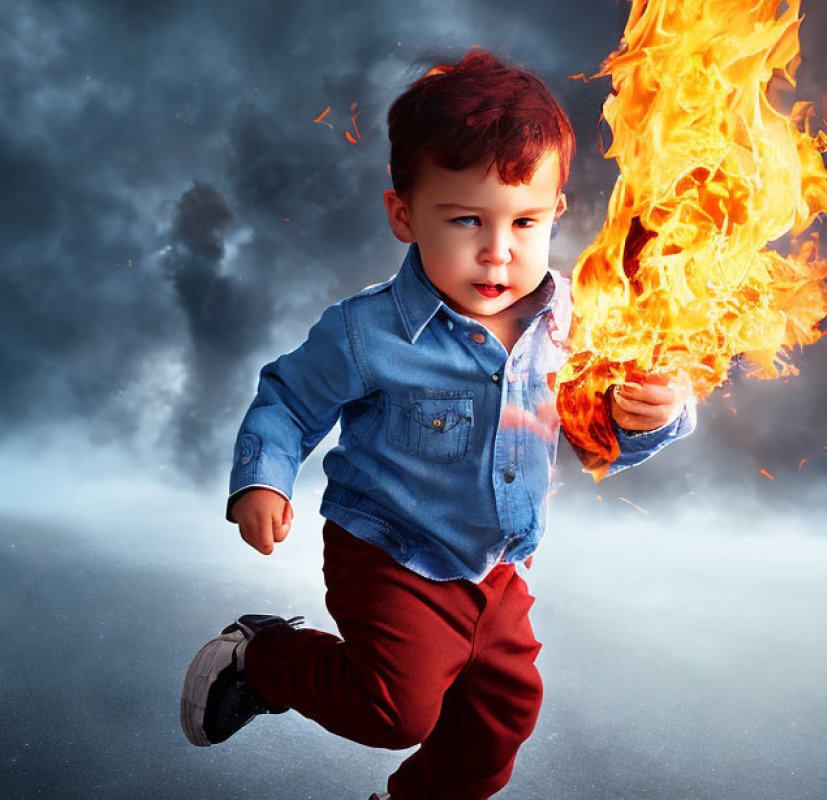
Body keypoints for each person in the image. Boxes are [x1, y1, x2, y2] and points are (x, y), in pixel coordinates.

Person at [180, 46, 696, 800]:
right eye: (464, 220)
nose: (498, 252)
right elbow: (287, 400)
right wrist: (263, 480)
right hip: (390, 551)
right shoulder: (368, 332)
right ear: (404, 214)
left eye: (524, 221)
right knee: (396, 709)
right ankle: (262, 658)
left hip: (496, 564)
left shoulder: (576, 328)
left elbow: (599, 436)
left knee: (499, 720)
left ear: (557, 211)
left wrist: (654, 412)